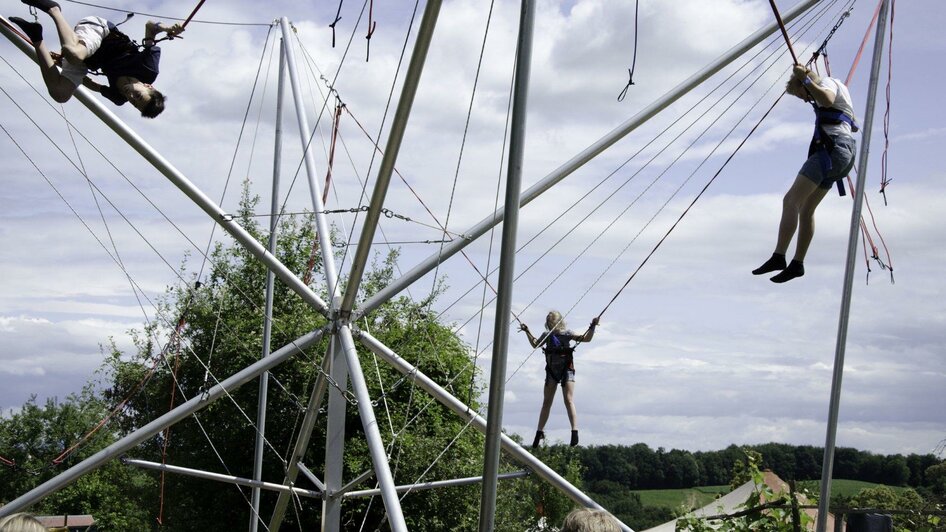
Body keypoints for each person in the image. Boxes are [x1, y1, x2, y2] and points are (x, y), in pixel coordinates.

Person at [752, 64, 857, 283]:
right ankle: (797, 264)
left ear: (804, 84)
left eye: (803, 96)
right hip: (842, 155)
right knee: (807, 210)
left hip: (832, 150)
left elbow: (826, 99)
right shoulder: (841, 90)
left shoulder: (828, 83)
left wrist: (806, 80)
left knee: (790, 200)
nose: (807, 100)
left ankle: (779, 256)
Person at [9, 0, 183, 118]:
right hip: (100, 31)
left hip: (87, 57)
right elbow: (150, 27)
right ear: (148, 86)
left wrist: (64, 66)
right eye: (138, 95)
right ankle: (54, 9)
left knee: (60, 94)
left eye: (134, 103)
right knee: (75, 54)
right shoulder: (149, 68)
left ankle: (36, 36)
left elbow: (94, 85)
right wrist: (168, 29)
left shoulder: (118, 97)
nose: (130, 96)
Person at [519, 310, 598, 448]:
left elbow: (586, 338)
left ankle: (574, 431)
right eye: (549, 323)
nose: (551, 326)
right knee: (546, 402)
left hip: (566, 369)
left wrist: (593, 326)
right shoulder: (546, 335)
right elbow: (535, 344)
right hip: (551, 370)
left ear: (559, 322)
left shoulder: (567, 334)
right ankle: (539, 432)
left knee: (568, 399)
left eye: (552, 323)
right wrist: (527, 331)